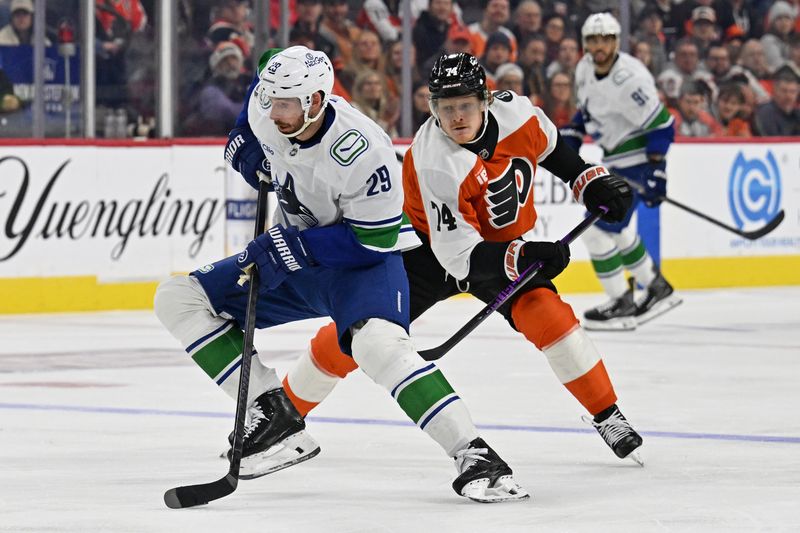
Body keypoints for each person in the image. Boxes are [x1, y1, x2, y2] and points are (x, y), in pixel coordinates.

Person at [222, 51, 646, 486]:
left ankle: (607, 414)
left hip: (496, 247)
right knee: (355, 331)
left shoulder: (517, 112)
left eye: (464, 104)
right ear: (432, 108)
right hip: (426, 253)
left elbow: (554, 149)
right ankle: (282, 418)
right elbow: (460, 258)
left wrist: (588, 179)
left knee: (551, 318)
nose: (456, 117)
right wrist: (524, 257)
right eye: (445, 108)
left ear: (486, 100)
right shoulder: (435, 159)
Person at [155, 46, 528, 503]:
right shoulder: (269, 102)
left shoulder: (364, 150)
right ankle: (273, 413)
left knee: (377, 346)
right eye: (270, 100)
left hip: (360, 265)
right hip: (295, 255)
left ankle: (474, 455)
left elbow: (373, 240)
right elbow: (251, 111)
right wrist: (244, 151)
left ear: (315, 100)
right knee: (179, 297)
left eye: (286, 104)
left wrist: (295, 247)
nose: (274, 112)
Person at [561, 12, 682, 331]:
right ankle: (656, 287)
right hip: (615, 159)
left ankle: (621, 301)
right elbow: (586, 112)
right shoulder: (584, 68)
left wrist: (656, 170)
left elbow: (663, 126)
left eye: (605, 39)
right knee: (618, 228)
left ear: (616, 42)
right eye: (592, 40)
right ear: (585, 43)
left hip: (639, 162)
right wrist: (574, 131)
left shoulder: (631, 79)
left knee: (597, 230)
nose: (599, 46)